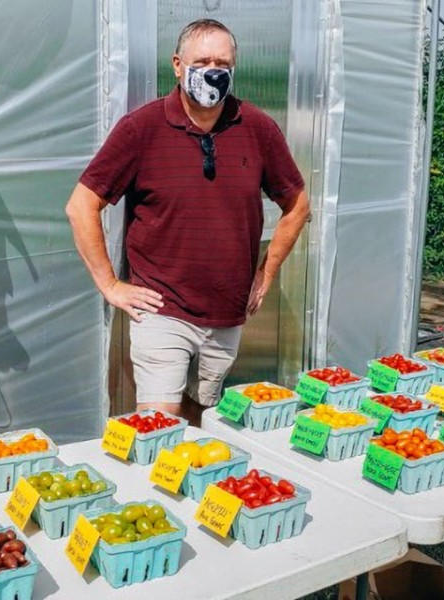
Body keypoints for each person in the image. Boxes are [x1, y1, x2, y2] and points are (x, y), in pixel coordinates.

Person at [66, 19, 310, 422]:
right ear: (177, 65)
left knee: (202, 416)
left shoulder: (258, 128)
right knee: (159, 422)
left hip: (227, 313)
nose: (213, 71)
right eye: (202, 61)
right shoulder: (140, 129)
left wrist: (266, 272)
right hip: (161, 308)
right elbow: (81, 205)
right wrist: (110, 285)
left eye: (223, 62)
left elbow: (298, 205)